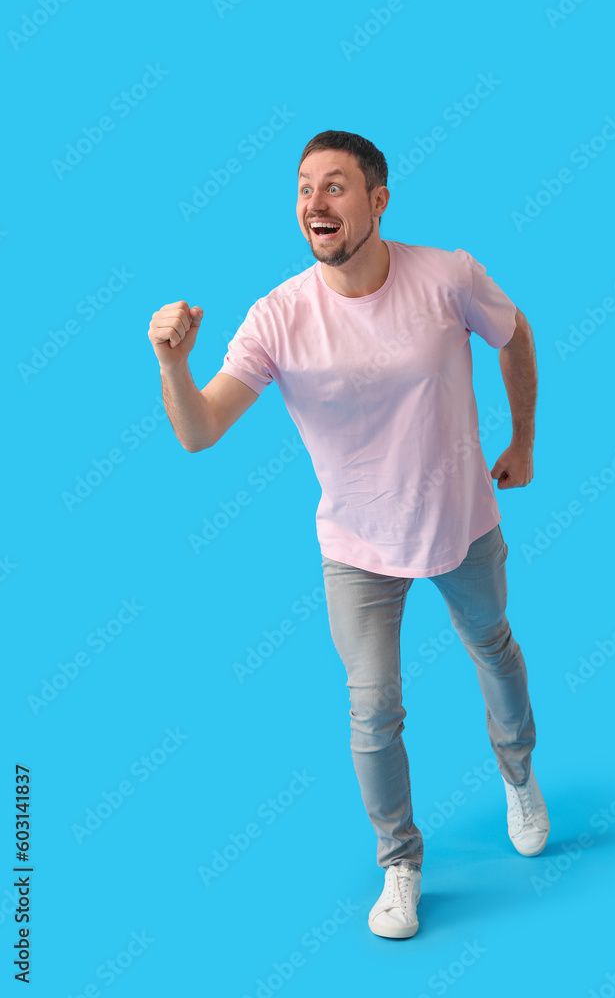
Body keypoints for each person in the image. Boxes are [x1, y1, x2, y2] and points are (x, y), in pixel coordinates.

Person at [147, 130, 549, 941]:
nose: (314, 202)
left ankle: (517, 775)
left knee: (493, 648)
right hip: (356, 548)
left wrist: (523, 441)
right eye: (303, 187)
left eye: (334, 186)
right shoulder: (280, 315)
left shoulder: (448, 275)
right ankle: (399, 861)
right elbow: (200, 430)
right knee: (373, 713)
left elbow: (515, 336)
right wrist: (171, 365)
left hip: (463, 521)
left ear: (377, 201)